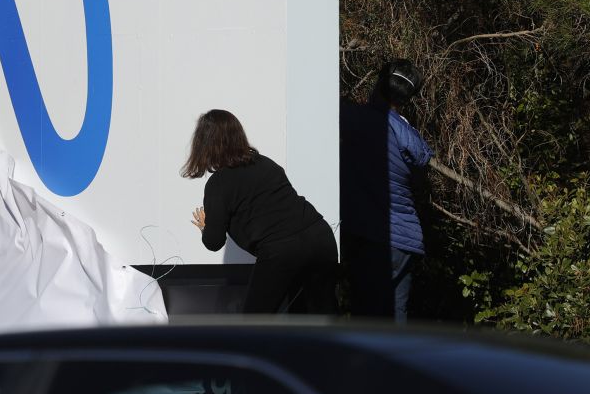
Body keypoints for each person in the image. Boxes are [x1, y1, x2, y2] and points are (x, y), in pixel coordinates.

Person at [183, 109, 337, 314]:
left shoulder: (218, 184)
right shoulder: (266, 164)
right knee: (317, 317)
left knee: (256, 320)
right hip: (320, 237)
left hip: (281, 251)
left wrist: (205, 227)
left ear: (206, 144)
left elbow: (213, 242)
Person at [340, 60, 432, 321]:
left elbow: (320, 108)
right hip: (407, 239)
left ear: (379, 84)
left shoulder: (362, 120)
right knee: (395, 317)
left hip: (374, 237)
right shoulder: (408, 133)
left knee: (368, 317)